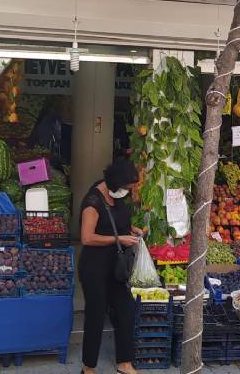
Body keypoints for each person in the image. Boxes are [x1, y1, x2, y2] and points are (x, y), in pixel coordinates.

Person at [78, 158, 146, 374]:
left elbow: (117, 221)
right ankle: (88, 367)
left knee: (126, 310)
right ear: (115, 183)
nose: (129, 191)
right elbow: (87, 238)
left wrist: (132, 229)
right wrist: (119, 239)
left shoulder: (117, 196)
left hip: (117, 267)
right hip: (94, 267)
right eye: (127, 187)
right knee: (96, 316)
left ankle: (125, 362)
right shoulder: (93, 201)